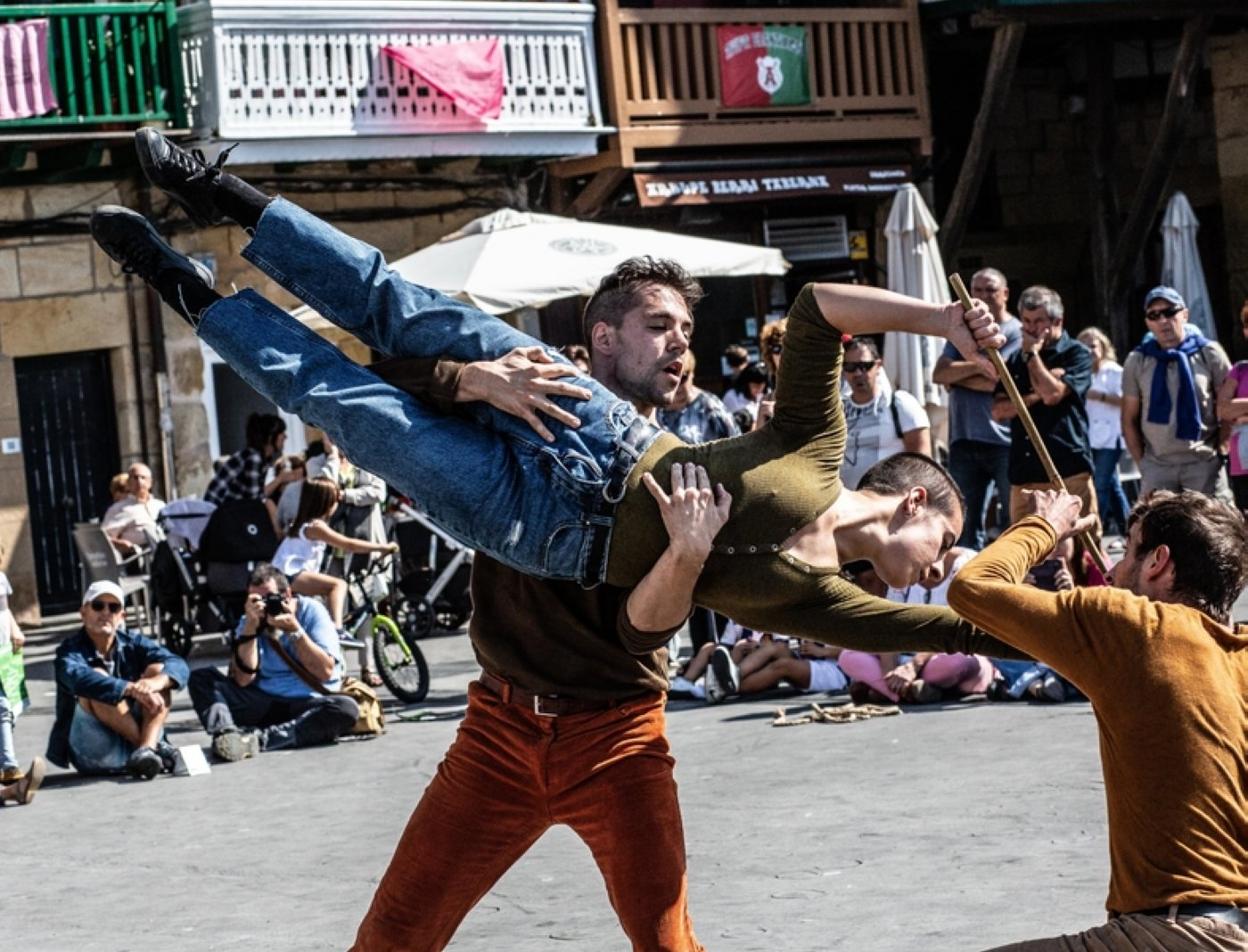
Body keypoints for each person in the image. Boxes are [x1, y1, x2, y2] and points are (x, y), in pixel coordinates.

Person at [92, 128, 1023, 663]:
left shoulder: (829, 604)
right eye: (946, 541)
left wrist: (1064, 573)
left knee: (342, 408)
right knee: (400, 305)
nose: (943, 563)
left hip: (541, 528)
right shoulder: (819, 450)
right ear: (915, 498)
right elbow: (818, 310)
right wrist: (940, 321)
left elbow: (642, 627)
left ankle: (177, 283)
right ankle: (221, 191)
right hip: (596, 428)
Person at [949, 489, 1248, 950]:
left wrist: (1045, 526)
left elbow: (973, 588)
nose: (1111, 569)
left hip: (1177, 932)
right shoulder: (1239, 654)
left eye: (1127, 550)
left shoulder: (1135, 624)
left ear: (1158, 562)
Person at [188, 564, 358, 761]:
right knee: (202, 678)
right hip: (265, 702)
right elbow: (243, 680)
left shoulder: (311, 612)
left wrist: (295, 631)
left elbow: (325, 672)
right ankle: (226, 735)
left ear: (286, 594)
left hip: (308, 702)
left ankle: (259, 740)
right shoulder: (250, 619)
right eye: (256, 599)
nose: (264, 605)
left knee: (345, 708)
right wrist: (250, 629)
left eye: (269, 598)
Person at [48, 580, 190, 779]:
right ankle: (152, 748)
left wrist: (154, 683)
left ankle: (146, 751)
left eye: (113, 607)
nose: (105, 612)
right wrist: (130, 688)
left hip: (131, 745)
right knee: (97, 677)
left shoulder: (134, 642)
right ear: (83, 612)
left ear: (122, 616)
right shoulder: (69, 651)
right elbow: (78, 679)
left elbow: (177, 664)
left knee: (158, 670)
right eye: (98, 606)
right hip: (95, 752)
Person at [992, 285, 1099, 541]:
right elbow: (1000, 410)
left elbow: (1054, 396)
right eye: (1026, 321)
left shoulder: (1076, 353)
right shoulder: (1014, 360)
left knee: (1083, 549)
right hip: (1025, 473)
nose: (1030, 328)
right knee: (1023, 548)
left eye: (1038, 321)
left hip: (1068, 469)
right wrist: (1039, 393)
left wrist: (1033, 357)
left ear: (1057, 321)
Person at [933, 267, 1022, 549]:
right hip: (963, 439)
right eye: (977, 291)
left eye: (990, 290)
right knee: (962, 522)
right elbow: (939, 374)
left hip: (1005, 442)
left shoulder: (1016, 332)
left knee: (1012, 522)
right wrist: (981, 364)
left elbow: (1003, 381)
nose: (983, 296)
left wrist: (960, 376)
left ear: (1005, 294)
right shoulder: (961, 332)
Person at [1121, 286, 1233, 503]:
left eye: (1170, 312)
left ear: (1185, 314)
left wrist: (1221, 451)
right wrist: (1142, 463)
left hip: (1203, 462)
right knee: (1155, 531)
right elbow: (1128, 419)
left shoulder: (1209, 353)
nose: (1163, 320)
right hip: (1158, 466)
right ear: (1148, 322)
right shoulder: (1137, 360)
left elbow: (1227, 407)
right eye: (1154, 315)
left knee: (1214, 530)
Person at [271, 475, 397, 632]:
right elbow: (348, 544)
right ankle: (337, 631)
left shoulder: (303, 523)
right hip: (288, 576)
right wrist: (382, 548)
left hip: (283, 576)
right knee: (338, 585)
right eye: (336, 500)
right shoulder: (316, 527)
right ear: (327, 503)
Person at [840, 336, 931, 490]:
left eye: (865, 366)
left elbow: (923, 465)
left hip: (888, 503)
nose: (857, 373)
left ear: (878, 365)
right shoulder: (838, 410)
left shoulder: (901, 404)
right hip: (848, 505)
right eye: (850, 366)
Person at [1077, 327, 1130, 537]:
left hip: (1111, 437)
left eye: (1093, 345)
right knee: (1112, 484)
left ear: (1103, 347)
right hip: (1089, 437)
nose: (1089, 351)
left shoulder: (1115, 371)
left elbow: (1127, 401)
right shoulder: (1082, 372)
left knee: (1099, 483)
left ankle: (1096, 529)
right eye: (1084, 347)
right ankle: (1128, 527)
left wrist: (1099, 396)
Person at [0, 562, 42, 805]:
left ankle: (11, 782)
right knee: (3, 708)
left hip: (4, 655)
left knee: (8, 709)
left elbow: (4, 610)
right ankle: (9, 770)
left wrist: (15, 629)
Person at [204, 411, 298, 509]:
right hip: (217, 511)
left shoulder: (260, 459)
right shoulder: (254, 458)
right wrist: (280, 479)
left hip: (227, 510)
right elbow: (256, 499)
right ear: (270, 437)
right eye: (281, 432)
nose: (285, 437)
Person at [658, 350, 739, 445]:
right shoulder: (652, 408)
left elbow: (737, 444)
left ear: (692, 373)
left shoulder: (711, 408)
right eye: (670, 378)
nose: (677, 384)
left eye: (683, 377)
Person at [1217, 298, 1248, 512]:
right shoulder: (1239, 370)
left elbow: (1231, 408)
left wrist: (1242, 413)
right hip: (1243, 462)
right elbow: (1223, 409)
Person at [101, 461, 166, 557]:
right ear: (128, 482)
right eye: (135, 478)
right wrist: (122, 544)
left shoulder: (160, 506)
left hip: (165, 553)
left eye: (143, 478)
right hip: (138, 559)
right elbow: (103, 538)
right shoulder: (119, 508)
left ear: (150, 482)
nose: (139, 482)